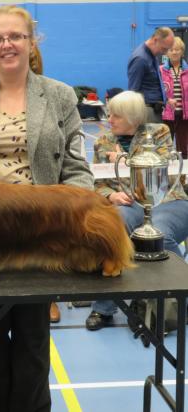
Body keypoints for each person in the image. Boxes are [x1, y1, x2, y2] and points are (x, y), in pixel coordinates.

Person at [0, 5, 93, 412]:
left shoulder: (60, 95)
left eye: (15, 36)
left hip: (40, 240)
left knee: (32, 344)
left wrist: (72, 215)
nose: (7, 44)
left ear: (31, 42)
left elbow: (77, 169)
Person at [85, 90, 188, 331]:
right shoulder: (103, 142)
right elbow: (97, 183)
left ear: (133, 117)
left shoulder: (159, 133)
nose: (109, 120)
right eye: (110, 115)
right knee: (111, 230)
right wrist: (111, 195)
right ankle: (103, 308)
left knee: (160, 232)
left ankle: (181, 298)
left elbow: (163, 173)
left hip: (167, 200)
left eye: (116, 116)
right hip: (129, 204)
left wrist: (124, 161)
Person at [128, 27, 175, 123]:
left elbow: (153, 83)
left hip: (154, 110)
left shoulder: (152, 56)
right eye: (164, 48)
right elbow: (133, 91)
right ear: (155, 40)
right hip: (146, 112)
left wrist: (166, 99)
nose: (165, 53)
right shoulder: (140, 59)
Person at [160, 36, 188, 159]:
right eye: (171, 49)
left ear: (182, 51)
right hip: (167, 116)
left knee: (184, 148)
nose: (174, 52)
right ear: (167, 52)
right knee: (165, 149)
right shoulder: (160, 70)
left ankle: (184, 175)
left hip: (184, 116)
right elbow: (158, 91)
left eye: (177, 49)